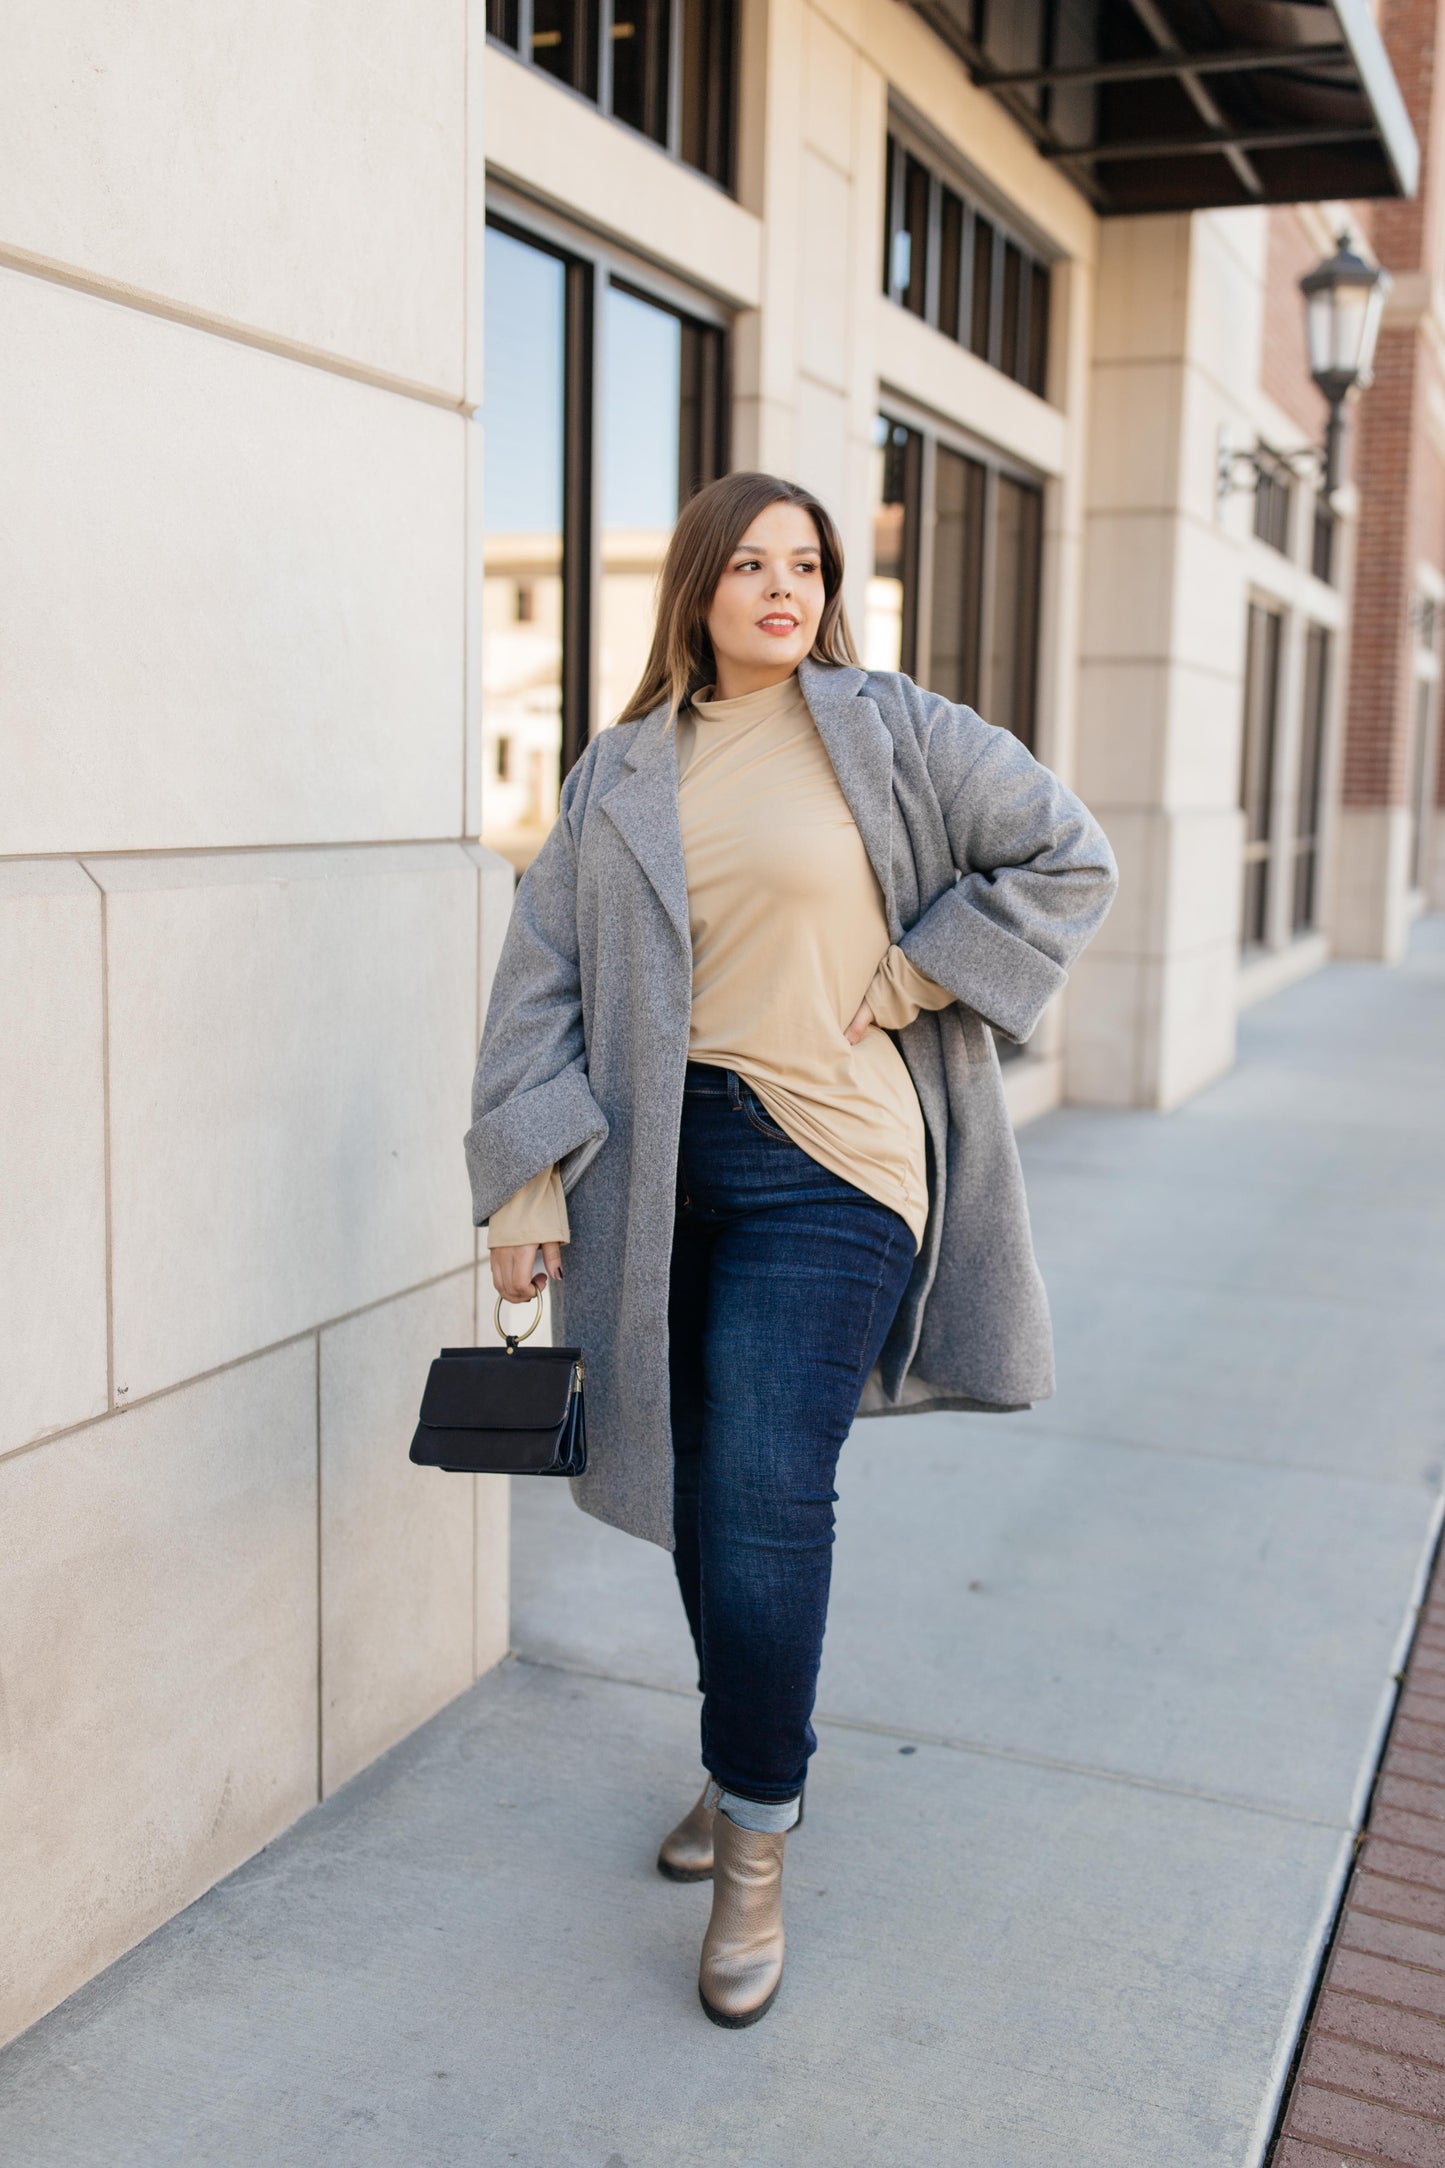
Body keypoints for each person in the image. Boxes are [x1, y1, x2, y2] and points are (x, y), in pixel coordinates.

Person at [465, 471, 1117, 2028]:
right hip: (650, 1169)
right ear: (695, 587)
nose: (782, 587)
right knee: (697, 1494)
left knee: (764, 1489)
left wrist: (913, 976)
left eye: (807, 564)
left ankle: (756, 1837)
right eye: (749, 563)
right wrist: (522, 1177)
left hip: (834, 1165)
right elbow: (539, 980)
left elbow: (1065, 857)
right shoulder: (621, 767)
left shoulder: (895, 729)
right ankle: (742, 1756)